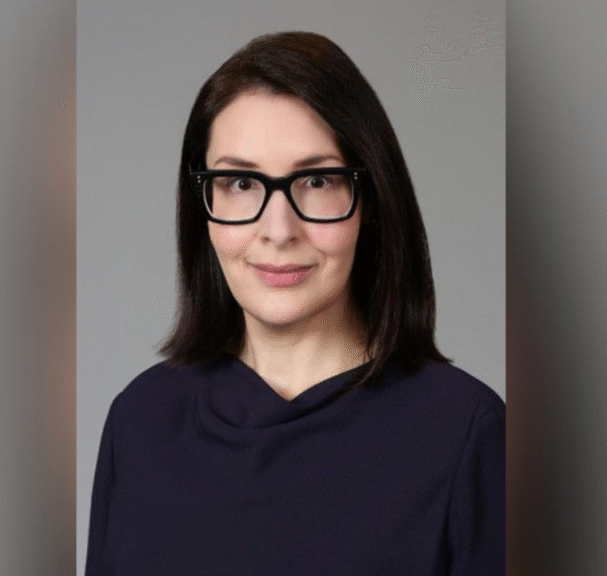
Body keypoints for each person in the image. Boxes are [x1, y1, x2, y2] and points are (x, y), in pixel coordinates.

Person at [85, 31, 504, 575]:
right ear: (202, 205)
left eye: (317, 180)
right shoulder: (140, 421)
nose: (278, 230)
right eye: (240, 183)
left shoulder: (465, 433)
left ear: (371, 200)